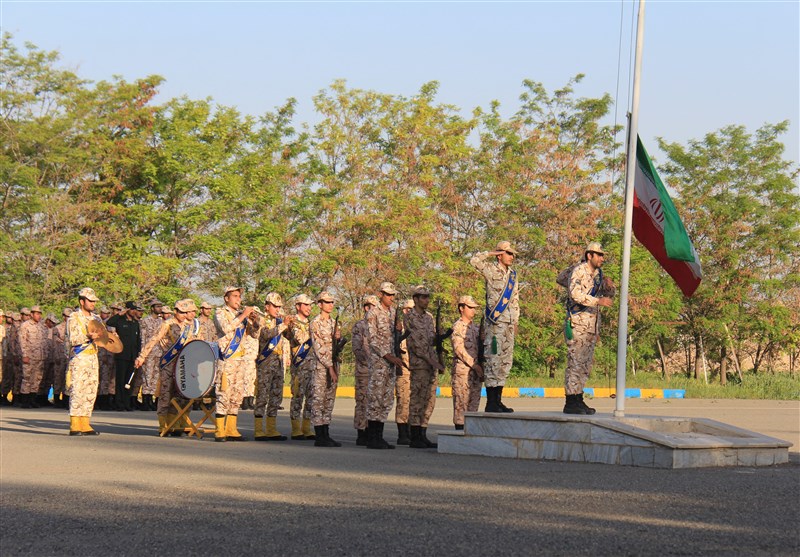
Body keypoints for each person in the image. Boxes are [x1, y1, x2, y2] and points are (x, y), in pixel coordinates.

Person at [560, 242, 615, 415]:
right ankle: (570, 401)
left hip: (591, 326)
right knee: (575, 363)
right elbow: (574, 294)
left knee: (585, 365)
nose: (602, 258)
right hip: (578, 322)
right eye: (599, 255)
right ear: (589, 255)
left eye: (602, 255)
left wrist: (610, 286)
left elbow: (609, 295)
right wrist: (597, 301)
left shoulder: (598, 275)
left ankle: (578, 399)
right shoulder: (579, 271)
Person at [135, 299, 201, 435]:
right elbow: (154, 339)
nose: (185, 315)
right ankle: (164, 424)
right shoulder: (167, 324)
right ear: (175, 311)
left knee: (183, 393)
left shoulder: (191, 326)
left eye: (187, 312)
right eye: (182, 312)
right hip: (169, 362)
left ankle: (178, 422)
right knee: (166, 393)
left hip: (185, 363)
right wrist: (142, 356)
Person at [470, 241, 520, 413]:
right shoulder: (491, 270)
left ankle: (498, 400)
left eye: (512, 254)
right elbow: (474, 260)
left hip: (508, 323)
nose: (512, 256)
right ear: (500, 254)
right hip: (495, 323)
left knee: (505, 361)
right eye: (508, 253)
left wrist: (516, 321)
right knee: (494, 360)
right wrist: (491, 253)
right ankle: (491, 401)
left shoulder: (513, 275)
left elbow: (514, 300)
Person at [213, 287, 258, 442]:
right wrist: (244, 315)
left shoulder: (241, 316)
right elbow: (225, 328)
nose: (238, 299)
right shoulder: (220, 313)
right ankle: (219, 430)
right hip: (227, 359)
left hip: (241, 360)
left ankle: (231, 428)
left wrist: (254, 320)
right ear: (226, 298)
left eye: (239, 296)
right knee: (224, 394)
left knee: (236, 395)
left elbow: (254, 334)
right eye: (235, 296)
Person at [365, 282, 405, 449]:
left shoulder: (394, 313)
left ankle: (379, 436)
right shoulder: (373, 313)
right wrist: (387, 356)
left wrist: (400, 330)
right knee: (375, 398)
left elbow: (396, 338)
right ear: (381, 294)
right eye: (388, 295)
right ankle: (372, 437)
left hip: (391, 362)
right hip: (379, 362)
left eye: (393, 295)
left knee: (387, 399)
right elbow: (372, 339)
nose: (391, 298)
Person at [404, 287, 444, 448]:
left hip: (431, 363)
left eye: (427, 297)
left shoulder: (429, 318)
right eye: (423, 297)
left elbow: (431, 340)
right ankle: (414, 435)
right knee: (417, 399)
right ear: (415, 299)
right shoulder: (409, 317)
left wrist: (440, 338)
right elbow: (415, 343)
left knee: (429, 400)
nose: (426, 300)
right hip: (420, 364)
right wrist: (431, 361)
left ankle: (422, 432)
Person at [253, 292, 293, 441]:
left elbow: (289, 337)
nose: (277, 309)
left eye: (279, 306)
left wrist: (290, 327)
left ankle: (271, 428)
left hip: (278, 363)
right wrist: (283, 325)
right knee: (262, 395)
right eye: (275, 306)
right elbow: (266, 334)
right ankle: (258, 429)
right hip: (265, 362)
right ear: (267, 306)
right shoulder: (261, 319)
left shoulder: (279, 320)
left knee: (276, 396)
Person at [65, 287, 103, 436]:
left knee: (91, 390)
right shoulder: (74, 317)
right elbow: (73, 339)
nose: (93, 303)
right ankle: (75, 424)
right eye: (90, 300)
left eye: (94, 301)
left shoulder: (97, 318)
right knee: (78, 389)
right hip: (80, 357)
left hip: (93, 357)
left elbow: (103, 338)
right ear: (82, 301)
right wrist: (88, 337)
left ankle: (85, 422)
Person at [308, 291, 343, 447]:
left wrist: (338, 339)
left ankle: (326, 432)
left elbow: (334, 346)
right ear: (320, 304)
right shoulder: (315, 323)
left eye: (331, 302)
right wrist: (329, 367)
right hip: (321, 367)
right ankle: (319, 435)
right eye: (327, 302)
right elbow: (319, 347)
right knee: (318, 399)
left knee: (329, 399)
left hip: (333, 365)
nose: (330, 305)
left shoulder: (334, 323)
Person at [285, 294, 316, 441]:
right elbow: (300, 338)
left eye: (310, 305)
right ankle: (296, 427)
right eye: (306, 305)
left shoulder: (310, 324)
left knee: (311, 398)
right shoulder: (294, 322)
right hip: (299, 366)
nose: (309, 308)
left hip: (312, 365)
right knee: (298, 396)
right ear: (298, 306)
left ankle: (306, 427)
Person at [450, 295, 483, 430]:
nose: (473, 310)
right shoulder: (458, 327)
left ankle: (470, 434)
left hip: (476, 372)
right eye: (470, 307)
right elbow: (459, 349)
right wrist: (474, 365)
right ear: (461, 308)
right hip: (463, 371)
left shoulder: (476, 328)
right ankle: (459, 434)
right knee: (461, 406)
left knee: (473, 405)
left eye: (474, 308)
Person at [107, 301, 143, 411]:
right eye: (131, 309)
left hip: (132, 356)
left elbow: (137, 341)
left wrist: (138, 355)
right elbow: (109, 322)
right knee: (120, 380)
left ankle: (127, 403)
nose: (134, 311)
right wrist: (120, 314)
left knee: (129, 382)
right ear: (127, 309)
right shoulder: (120, 321)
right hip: (122, 355)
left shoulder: (135, 323)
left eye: (134, 309)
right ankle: (119, 403)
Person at [351, 295, 377, 446]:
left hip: (376, 372)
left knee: (374, 402)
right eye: (373, 307)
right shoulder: (360, 326)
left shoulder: (378, 326)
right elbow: (357, 348)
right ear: (367, 308)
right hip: (364, 370)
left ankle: (371, 431)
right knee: (362, 402)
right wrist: (369, 362)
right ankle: (361, 432)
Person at [18, 305, 49, 408]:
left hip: (40, 357)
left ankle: (32, 399)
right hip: (29, 356)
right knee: (27, 378)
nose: (39, 315)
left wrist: (45, 355)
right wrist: (25, 355)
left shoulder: (42, 326)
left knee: (37, 379)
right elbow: (22, 341)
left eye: (40, 313)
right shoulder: (25, 325)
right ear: (31, 314)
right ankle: (25, 401)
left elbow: (45, 342)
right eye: (36, 313)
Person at [138, 299, 165, 411]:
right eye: (157, 306)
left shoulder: (161, 322)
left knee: (156, 377)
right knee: (147, 376)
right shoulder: (145, 321)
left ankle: (152, 400)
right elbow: (143, 338)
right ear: (152, 308)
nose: (159, 308)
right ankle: (146, 399)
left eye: (160, 306)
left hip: (159, 352)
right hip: (148, 352)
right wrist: (143, 353)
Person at [394, 298, 413, 445]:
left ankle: (412, 431)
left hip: (416, 371)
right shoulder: (398, 330)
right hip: (404, 371)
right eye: (409, 310)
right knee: (403, 402)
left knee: (415, 403)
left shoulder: (416, 329)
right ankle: (402, 433)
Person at [51, 308, 71, 408]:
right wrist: (56, 357)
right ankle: (56, 398)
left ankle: (66, 400)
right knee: (58, 378)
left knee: (68, 379)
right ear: (63, 316)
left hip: (69, 357)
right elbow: (54, 344)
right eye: (67, 316)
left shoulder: (73, 327)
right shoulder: (57, 328)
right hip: (60, 356)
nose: (68, 318)